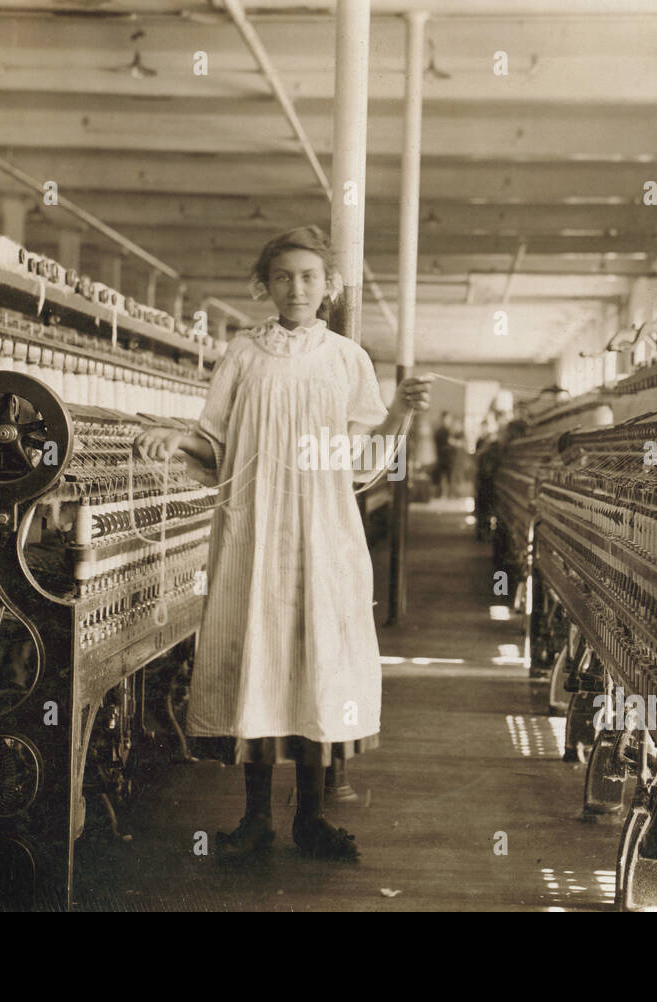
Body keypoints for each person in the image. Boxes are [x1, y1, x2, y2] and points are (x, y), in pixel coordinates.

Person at [133, 225, 432, 862]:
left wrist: (404, 411)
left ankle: (313, 820)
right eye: (282, 277)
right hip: (254, 533)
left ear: (330, 287)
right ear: (265, 285)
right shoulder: (242, 353)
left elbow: (365, 459)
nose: (296, 288)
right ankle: (255, 819)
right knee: (257, 663)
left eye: (308, 277)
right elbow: (213, 445)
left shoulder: (349, 360)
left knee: (318, 665)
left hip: (324, 533)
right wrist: (172, 437)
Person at [433, 410, 453, 498]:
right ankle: (442, 495)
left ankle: (446, 495)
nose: (448, 420)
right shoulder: (440, 432)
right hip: (442, 458)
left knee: (448, 477)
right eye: (447, 419)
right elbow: (449, 442)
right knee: (442, 477)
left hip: (448, 458)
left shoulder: (448, 431)